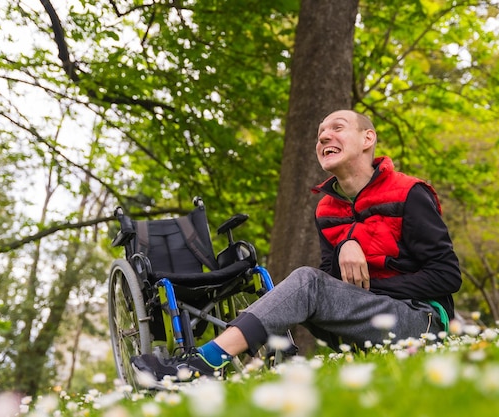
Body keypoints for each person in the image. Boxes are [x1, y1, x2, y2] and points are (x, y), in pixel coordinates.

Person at [131, 109, 462, 381]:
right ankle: (272, 364)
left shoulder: (409, 193)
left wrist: (373, 286)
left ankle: (199, 365)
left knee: (306, 283)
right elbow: (332, 284)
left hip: (422, 321)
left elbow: (448, 276)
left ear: (367, 139)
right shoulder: (326, 209)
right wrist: (347, 241)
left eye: (337, 127)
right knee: (302, 290)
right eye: (320, 133)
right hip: (369, 321)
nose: (323, 137)